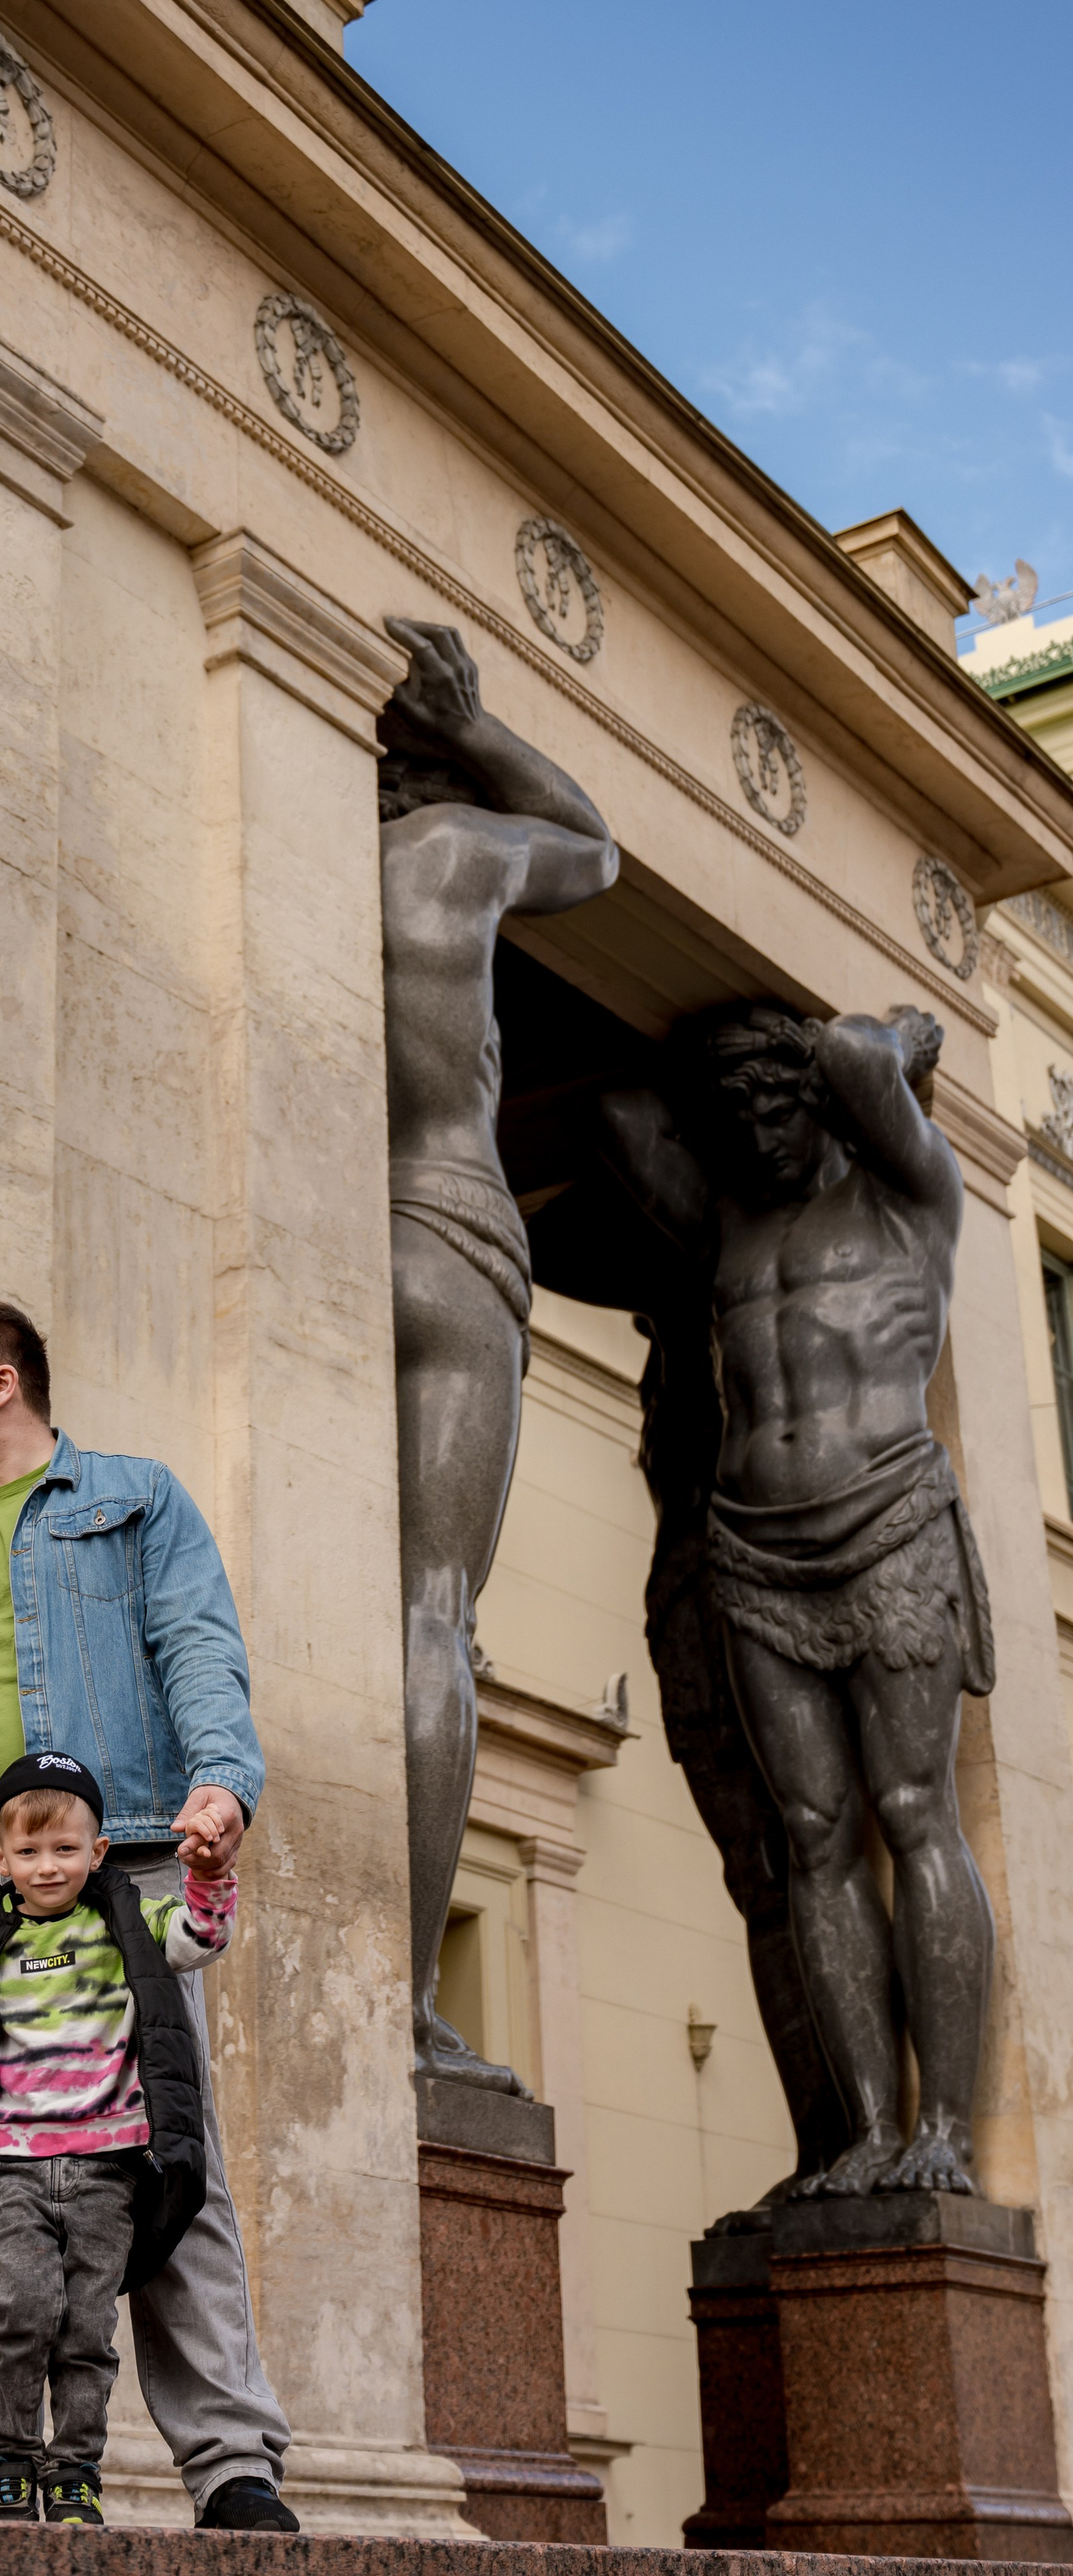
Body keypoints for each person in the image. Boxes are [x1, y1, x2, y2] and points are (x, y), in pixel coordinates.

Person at [0, 1296, 296, 2531]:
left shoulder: (136, 1498)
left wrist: (224, 1776)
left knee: (165, 2158)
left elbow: (198, 1644)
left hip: (128, 1868)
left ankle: (231, 2466)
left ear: (4, 1382)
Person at [602, 1006, 996, 2197]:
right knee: (815, 1841)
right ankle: (871, 2125)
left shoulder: (911, 1193)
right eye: (738, 1116)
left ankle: (950, 2132)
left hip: (886, 1520)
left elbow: (865, 1060)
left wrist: (875, 1056)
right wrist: (719, 1070)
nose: (761, 1132)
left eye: (780, 1105)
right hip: (754, 1550)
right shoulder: (726, 1221)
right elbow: (623, 1118)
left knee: (916, 1806)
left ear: (825, 1102)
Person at [377, 618, 617, 2086]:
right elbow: (590, 848)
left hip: (292, 1229)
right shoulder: (454, 851)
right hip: (448, 1228)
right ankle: (397, 1995)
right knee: (424, 1613)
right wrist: (476, 730)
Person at [0, 1749, 237, 2526]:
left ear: (98, 1851)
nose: (49, 1866)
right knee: (21, 2307)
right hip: (11, 2170)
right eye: (30, 1852)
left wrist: (208, 1874)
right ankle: (8, 2458)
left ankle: (75, 2469)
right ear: (0, 1857)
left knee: (87, 2326)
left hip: (106, 2168)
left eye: (66, 1849)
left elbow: (200, 1936)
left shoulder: (125, 1922)